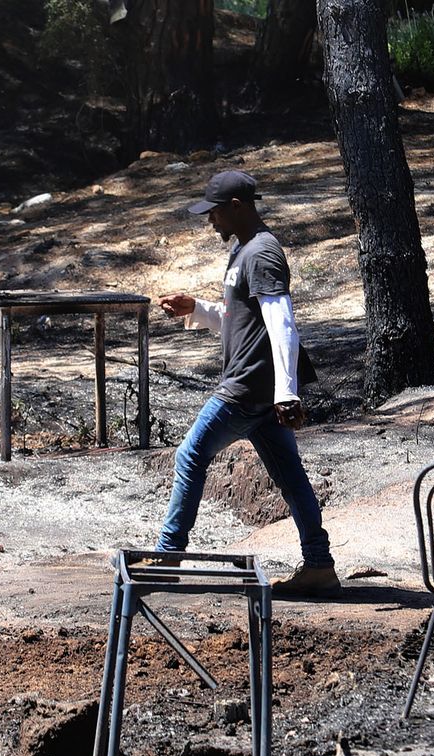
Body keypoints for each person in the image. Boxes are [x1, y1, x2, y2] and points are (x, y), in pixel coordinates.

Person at [153, 169, 339, 597]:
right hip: (261, 393)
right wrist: (195, 308)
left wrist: (287, 390)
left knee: (190, 455)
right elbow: (240, 318)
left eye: (214, 212)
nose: (210, 221)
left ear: (236, 207)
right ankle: (319, 566)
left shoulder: (262, 252)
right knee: (291, 479)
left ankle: (168, 557)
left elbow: (282, 322)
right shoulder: (244, 251)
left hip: (247, 386)